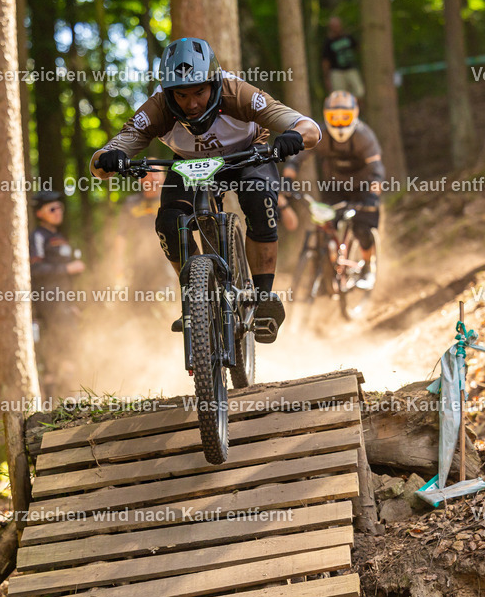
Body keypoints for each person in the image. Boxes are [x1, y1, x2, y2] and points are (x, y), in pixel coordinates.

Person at [90, 37, 321, 343]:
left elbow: (311, 129)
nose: (192, 103)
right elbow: (100, 163)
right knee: (168, 222)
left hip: (246, 154)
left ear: (214, 81)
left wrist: (291, 137)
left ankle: (263, 297)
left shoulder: (238, 93)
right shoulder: (158, 107)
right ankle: (195, 296)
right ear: (169, 92)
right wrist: (112, 158)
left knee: (259, 199)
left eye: (199, 91)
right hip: (189, 163)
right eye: (182, 95)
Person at [283, 90, 384, 284]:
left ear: (354, 115)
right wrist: (287, 178)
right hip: (334, 187)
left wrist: (374, 192)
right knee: (325, 227)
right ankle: (326, 271)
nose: (339, 123)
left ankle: (368, 267)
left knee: (363, 229)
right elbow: (297, 158)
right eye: (333, 117)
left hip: (363, 188)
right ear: (325, 116)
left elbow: (376, 169)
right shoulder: (320, 135)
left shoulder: (364, 136)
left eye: (345, 117)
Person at [29, 190, 85, 396]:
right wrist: (67, 269)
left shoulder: (59, 237)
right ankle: (56, 398)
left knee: (69, 345)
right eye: (52, 209)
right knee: (58, 347)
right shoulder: (37, 236)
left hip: (64, 301)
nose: (58, 211)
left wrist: (71, 305)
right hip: (48, 302)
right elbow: (34, 270)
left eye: (60, 207)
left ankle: (70, 394)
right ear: (40, 214)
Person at [322, 17, 364, 102]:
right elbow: (325, 61)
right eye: (334, 26)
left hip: (351, 68)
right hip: (337, 71)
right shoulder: (328, 42)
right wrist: (327, 77)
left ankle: (354, 109)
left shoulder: (348, 37)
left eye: (337, 25)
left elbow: (357, 48)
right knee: (338, 95)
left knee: (359, 91)